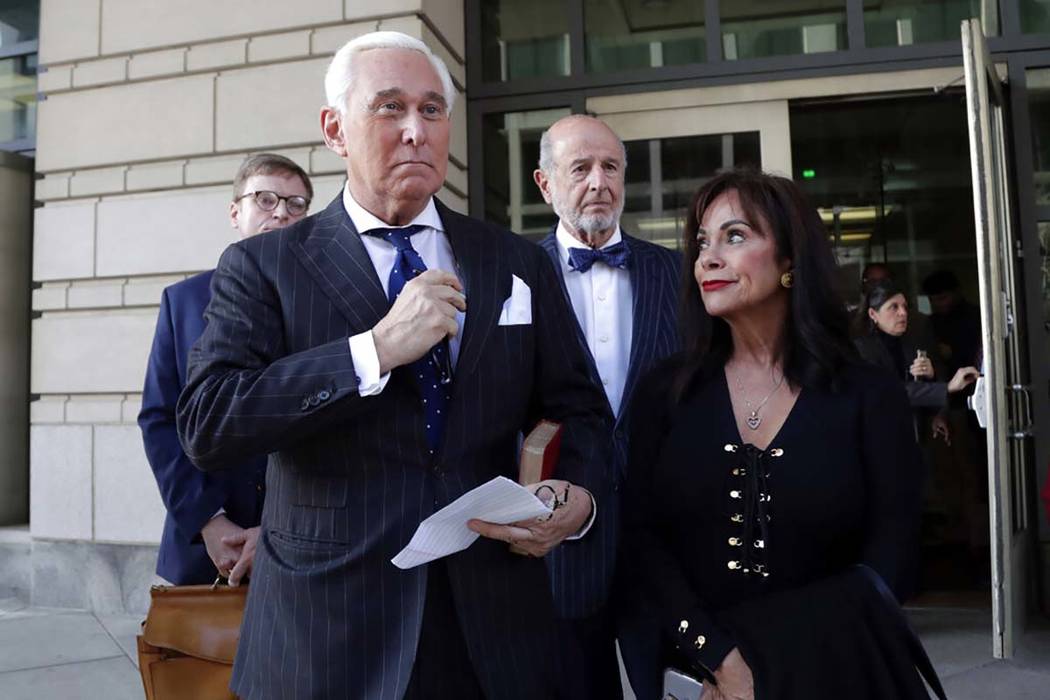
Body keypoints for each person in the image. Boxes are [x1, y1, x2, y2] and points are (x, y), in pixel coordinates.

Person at [176, 31, 610, 700]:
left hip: (492, 633)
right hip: (328, 635)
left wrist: (574, 499)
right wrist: (371, 351)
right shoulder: (265, 266)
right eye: (390, 108)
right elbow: (209, 422)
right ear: (334, 129)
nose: (416, 131)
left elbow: (582, 411)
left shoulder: (512, 261)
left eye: (433, 110)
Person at [618, 169, 944, 700]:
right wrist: (720, 659)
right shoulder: (665, 393)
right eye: (702, 242)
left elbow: (896, 556)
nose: (708, 257)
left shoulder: (867, 393)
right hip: (705, 685)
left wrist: (766, 658)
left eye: (735, 236)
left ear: (790, 259)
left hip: (840, 672)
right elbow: (641, 543)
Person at [532, 114, 681, 698]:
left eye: (611, 167)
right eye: (581, 168)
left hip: (665, 538)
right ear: (545, 183)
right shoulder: (512, 277)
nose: (599, 181)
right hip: (563, 543)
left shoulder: (676, 273)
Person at [138, 153, 313, 586]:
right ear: (236, 212)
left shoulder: (324, 306)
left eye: (296, 204)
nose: (281, 213)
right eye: (266, 199)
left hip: (304, 542)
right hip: (207, 545)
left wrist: (274, 529)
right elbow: (161, 419)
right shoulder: (183, 302)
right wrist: (209, 522)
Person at [854, 280, 979, 443]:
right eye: (894, 307)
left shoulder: (912, 341)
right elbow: (891, 391)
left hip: (913, 435)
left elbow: (921, 390)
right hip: (878, 436)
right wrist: (948, 387)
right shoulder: (862, 350)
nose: (903, 313)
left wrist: (930, 375)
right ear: (873, 314)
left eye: (905, 307)